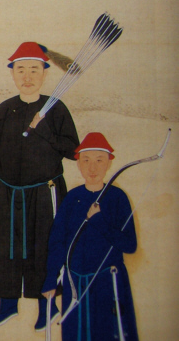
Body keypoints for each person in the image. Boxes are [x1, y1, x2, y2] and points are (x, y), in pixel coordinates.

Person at [0, 42, 79, 330]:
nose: (27, 76)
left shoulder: (56, 109)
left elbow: (73, 151)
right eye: (20, 69)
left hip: (46, 192)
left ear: (45, 73)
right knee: (5, 247)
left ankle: (48, 306)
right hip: (7, 192)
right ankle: (7, 304)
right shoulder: (4, 109)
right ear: (12, 73)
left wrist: (44, 131)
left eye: (34, 69)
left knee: (45, 248)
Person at [43, 132, 138, 341]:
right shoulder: (72, 198)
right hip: (74, 282)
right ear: (78, 163)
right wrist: (50, 279)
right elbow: (58, 241)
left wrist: (99, 221)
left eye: (99, 160)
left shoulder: (118, 198)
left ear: (109, 163)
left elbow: (130, 245)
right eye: (86, 161)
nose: (92, 168)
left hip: (108, 282)